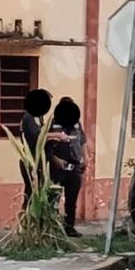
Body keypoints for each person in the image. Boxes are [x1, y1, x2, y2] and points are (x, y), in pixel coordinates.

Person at [19, 89, 68, 209]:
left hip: (38, 159)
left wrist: (53, 138)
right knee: (32, 191)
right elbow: (37, 137)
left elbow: (42, 136)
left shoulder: (38, 117)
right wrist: (56, 135)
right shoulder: (29, 117)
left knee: (39, 189)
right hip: (31, 160)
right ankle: (28, 220)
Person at [48, 97, 85, 237]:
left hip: (74, 166)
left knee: (71, 200)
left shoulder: (77, 124)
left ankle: (69, 227)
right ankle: (52, 227)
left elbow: (83, 141)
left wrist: (85, 159)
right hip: (57, 167)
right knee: (53, 199)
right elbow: (46, 145)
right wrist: (55, 159)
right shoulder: (53, 124)